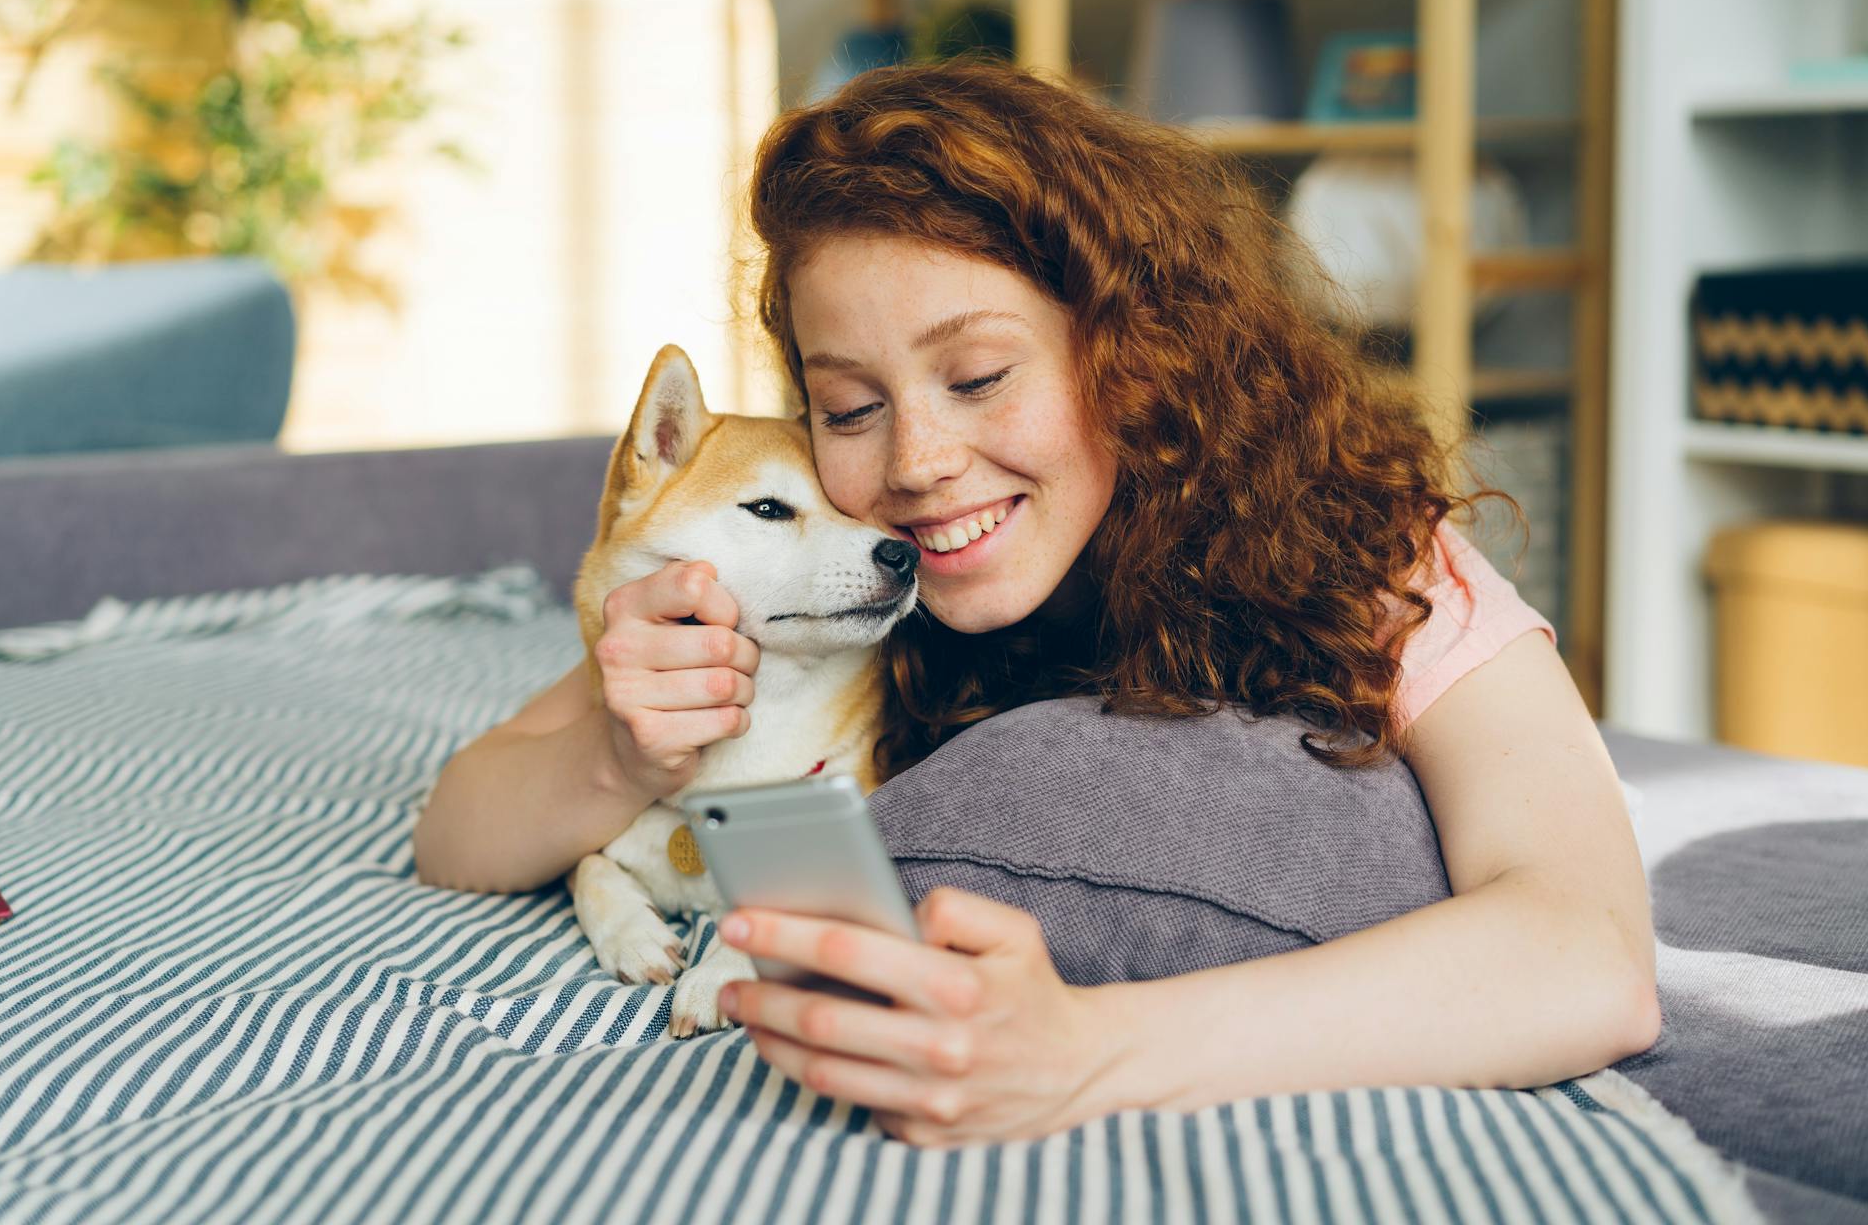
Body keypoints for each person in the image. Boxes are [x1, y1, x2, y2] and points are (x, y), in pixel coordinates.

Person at [413, 59, 1657, 1148]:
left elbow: (1589, 949)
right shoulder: (831, 590)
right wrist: (624, 746)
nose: (914, 460)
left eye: (979, 375)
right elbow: (457, 831)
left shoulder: (1355, 553)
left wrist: (1085, 1048)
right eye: (849, 406)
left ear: (1133, 348)